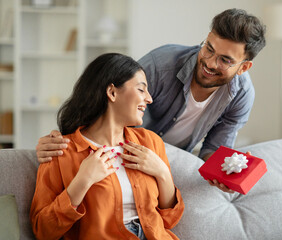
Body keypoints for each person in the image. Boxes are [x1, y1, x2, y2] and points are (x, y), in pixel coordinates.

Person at [35, 8, 266, 193]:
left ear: (244, 67)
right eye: (208, 48)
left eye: (225, 60)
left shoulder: (241, 95)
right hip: (128, 155)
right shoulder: (160, 64)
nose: (210, 62)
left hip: (173, 161)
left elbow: (214, 149)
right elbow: (108, 102)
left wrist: (223, 172)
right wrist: (64, 138)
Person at [30, 53, 184, 240]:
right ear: (112, 92)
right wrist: (82, 182)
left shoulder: (150, 142)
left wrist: (162, 173)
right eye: (141, 90)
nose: (149, 99)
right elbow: (43, 231)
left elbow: (169, 220)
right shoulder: (60, 151)